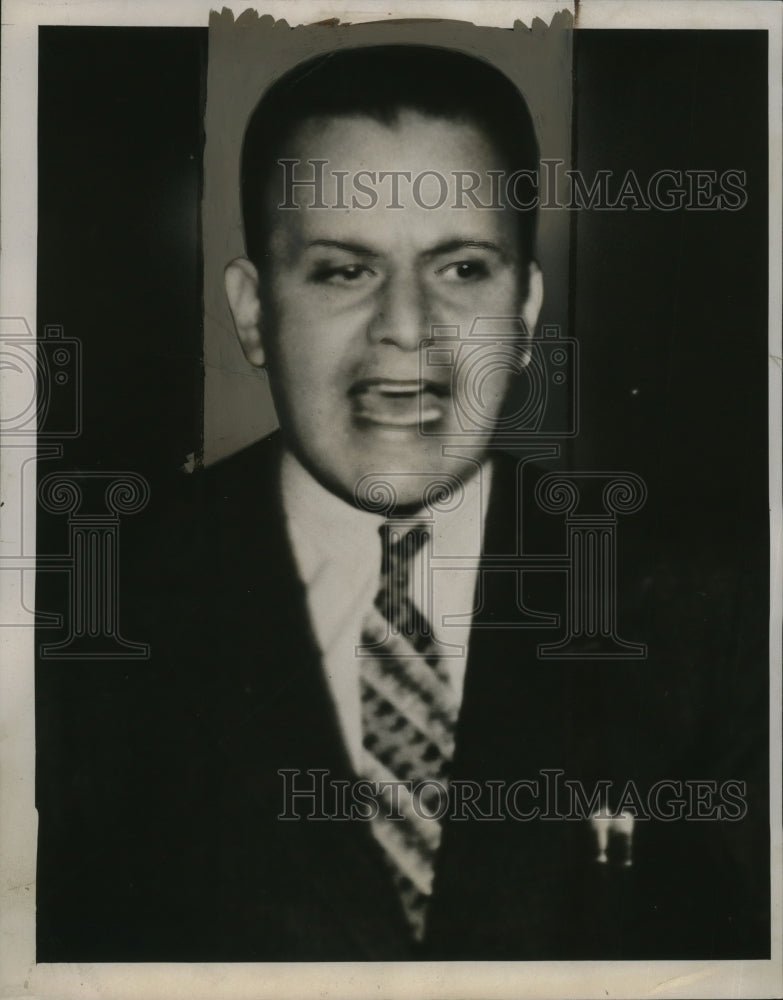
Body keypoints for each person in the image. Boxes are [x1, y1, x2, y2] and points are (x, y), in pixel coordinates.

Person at [35, 43, 768, 963]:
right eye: (344, 270)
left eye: (461, 269)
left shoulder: (700, 605)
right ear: (254, 313)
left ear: (525, 311)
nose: (408, 328)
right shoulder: (85, 617)